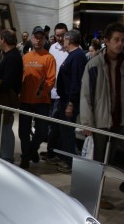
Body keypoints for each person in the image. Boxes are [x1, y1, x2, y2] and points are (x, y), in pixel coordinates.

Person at [80, 21, 124, 209]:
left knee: (108, 162)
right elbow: (86, 95)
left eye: (123, 40)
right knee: (95, 161)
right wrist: (87, 123)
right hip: (99, 123)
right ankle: (91, 197)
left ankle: (98, 195)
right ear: (107, 41)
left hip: (118, 122)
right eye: (116, 40)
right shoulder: (94, 64)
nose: (120, 44)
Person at [18, 26, 56, 169]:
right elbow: (20, 77)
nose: (38, 40)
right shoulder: (25, 57)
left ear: (44, 39)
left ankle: (32, 150)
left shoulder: (49, 58)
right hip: (25, 100)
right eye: (36, 37)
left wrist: (42, 92)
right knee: (23, 132)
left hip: (42, 101)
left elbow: (51, 80)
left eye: (41, 38)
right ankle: (25, 157)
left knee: (41, 132)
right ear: (32, 38)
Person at [52, 29, 87, 173]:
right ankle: (64, 157)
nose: (63, 42)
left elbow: (76, 82)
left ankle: (71, 163)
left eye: (65, 39)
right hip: (64, 99)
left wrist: (71, 103)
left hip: (69, 101)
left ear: (70, 40)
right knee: (63, 132)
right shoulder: (72, 55)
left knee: (67, 133)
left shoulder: (77, 56)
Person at [0, 29, 23, 163]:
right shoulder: (10, 55)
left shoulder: (12, 57)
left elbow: (7, 81)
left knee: (5, 129)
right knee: (1, 128)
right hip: (5, 97)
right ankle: (0, 156)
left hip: (6, 98)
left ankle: (6, 158)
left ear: (3, 40)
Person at [45, 22, 68, 163]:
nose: (60, 38)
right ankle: (51, 151)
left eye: (62, 35)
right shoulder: (52, 48)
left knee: (59, 125)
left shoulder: (72, 49)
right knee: (51, 124)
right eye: (57, 35)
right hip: (51, 92)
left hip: (63, 94)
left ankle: (55, 153)